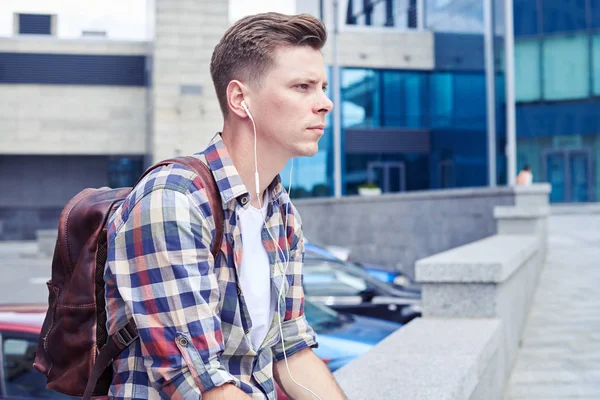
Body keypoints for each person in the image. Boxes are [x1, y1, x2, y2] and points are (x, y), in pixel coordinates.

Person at [104, 12, 347, 400]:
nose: (326, 103)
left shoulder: (280, 213)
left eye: (323, 87)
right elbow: (199, 381)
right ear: (239, 99)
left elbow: (290, 349)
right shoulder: (174, 201)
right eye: (303, 87)